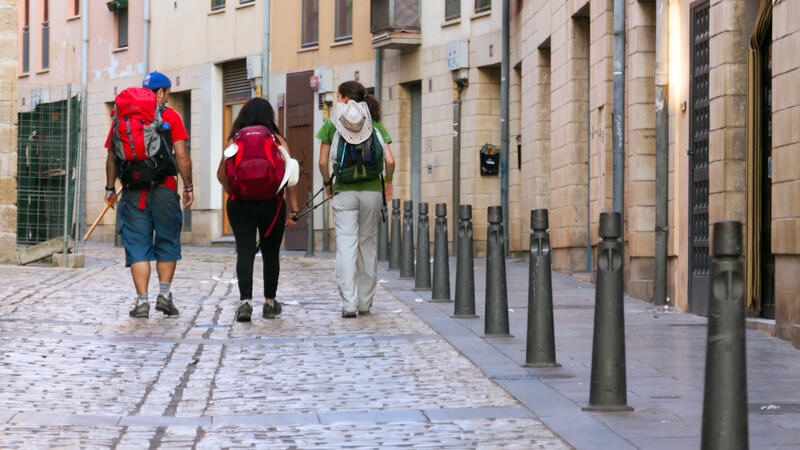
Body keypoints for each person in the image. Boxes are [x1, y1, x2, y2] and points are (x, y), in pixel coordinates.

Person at [105, 71, 193, 319]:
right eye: (166, 93)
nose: (166, 97)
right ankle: (164, 296)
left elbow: (111, 155)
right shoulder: (172, 116)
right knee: (166, 240)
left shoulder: (122, 117)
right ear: (162, 92)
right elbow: (182, 157)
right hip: (164, 189)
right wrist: (188, 187)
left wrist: (110, 188)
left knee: (137, 246)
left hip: (133, 191)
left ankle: (142, 301)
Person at [317, 81, 396, 318]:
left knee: (346, 245)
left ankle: (349, 304)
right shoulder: (376, 125)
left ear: (343, 99)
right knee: (368, 246)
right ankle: (365, 303)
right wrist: (388, 183)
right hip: (372, 192)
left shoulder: (331, 125)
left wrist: (328, 183)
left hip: (344, 191)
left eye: (338, 97)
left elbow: (322, 162)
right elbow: (390, 161)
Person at [216, 98, 299, 322]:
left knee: (245, 250)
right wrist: (293, 210)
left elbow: (221, 174)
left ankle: (245, 303)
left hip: (240, 204)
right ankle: (270, 303)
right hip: (272, 203)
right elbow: (290, 176)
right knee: (271, 253)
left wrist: (233, 192)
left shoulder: (235, 140)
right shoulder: (277, 139)